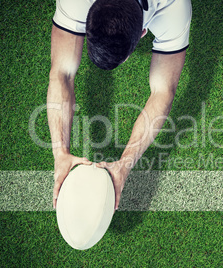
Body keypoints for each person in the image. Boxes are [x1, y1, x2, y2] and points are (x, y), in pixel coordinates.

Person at [48, 0, 192, 210]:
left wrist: (126, 164)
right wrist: (60, 152)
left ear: (143, 33)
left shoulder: (174, 7)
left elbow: (163, 92)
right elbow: (62, 73)